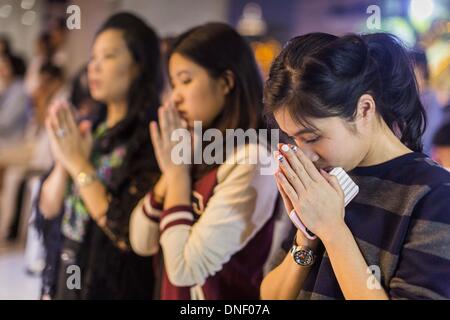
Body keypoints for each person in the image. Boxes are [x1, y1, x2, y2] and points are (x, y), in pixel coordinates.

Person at [260, 33, 450, 300]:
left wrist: (333, 230)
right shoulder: (327, 180)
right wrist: (306, 238)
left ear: (364, 109)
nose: (306, 154)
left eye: (312, 137)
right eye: (294, 139)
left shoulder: (435, 194)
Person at [129, 22, 281, 300]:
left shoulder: (254, 159)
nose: (175, 96)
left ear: (225, 82)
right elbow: (140, 240)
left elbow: (185, 269)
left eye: (186, 81)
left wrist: (176, 175)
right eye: (173, 84)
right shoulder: (196, 150)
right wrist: (174, 175)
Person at [35, 12, 163, 299]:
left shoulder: (151, 140)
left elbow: (125, 232)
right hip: (66, 268)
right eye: (93, 57)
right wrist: (63, 161)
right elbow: (48, 208)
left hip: (111, 284)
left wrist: (78, 163)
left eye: (108, 56)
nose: (94, 66)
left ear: (139, 65)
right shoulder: (90, 128)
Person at [410, 49, 443, 157]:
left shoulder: (430, 98)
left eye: (411, 68)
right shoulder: (412, 97)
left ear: (421, 69)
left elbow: (428, 135)